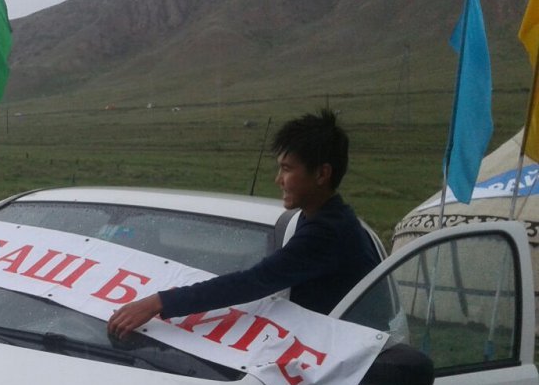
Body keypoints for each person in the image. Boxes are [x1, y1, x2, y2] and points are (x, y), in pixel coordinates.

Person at [107, 108, 381, 338]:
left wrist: (158, 302)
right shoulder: (321, 216)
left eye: (287, 169)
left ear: (322, 174)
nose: (278, 179)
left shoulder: (328, 233)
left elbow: (254, 282)